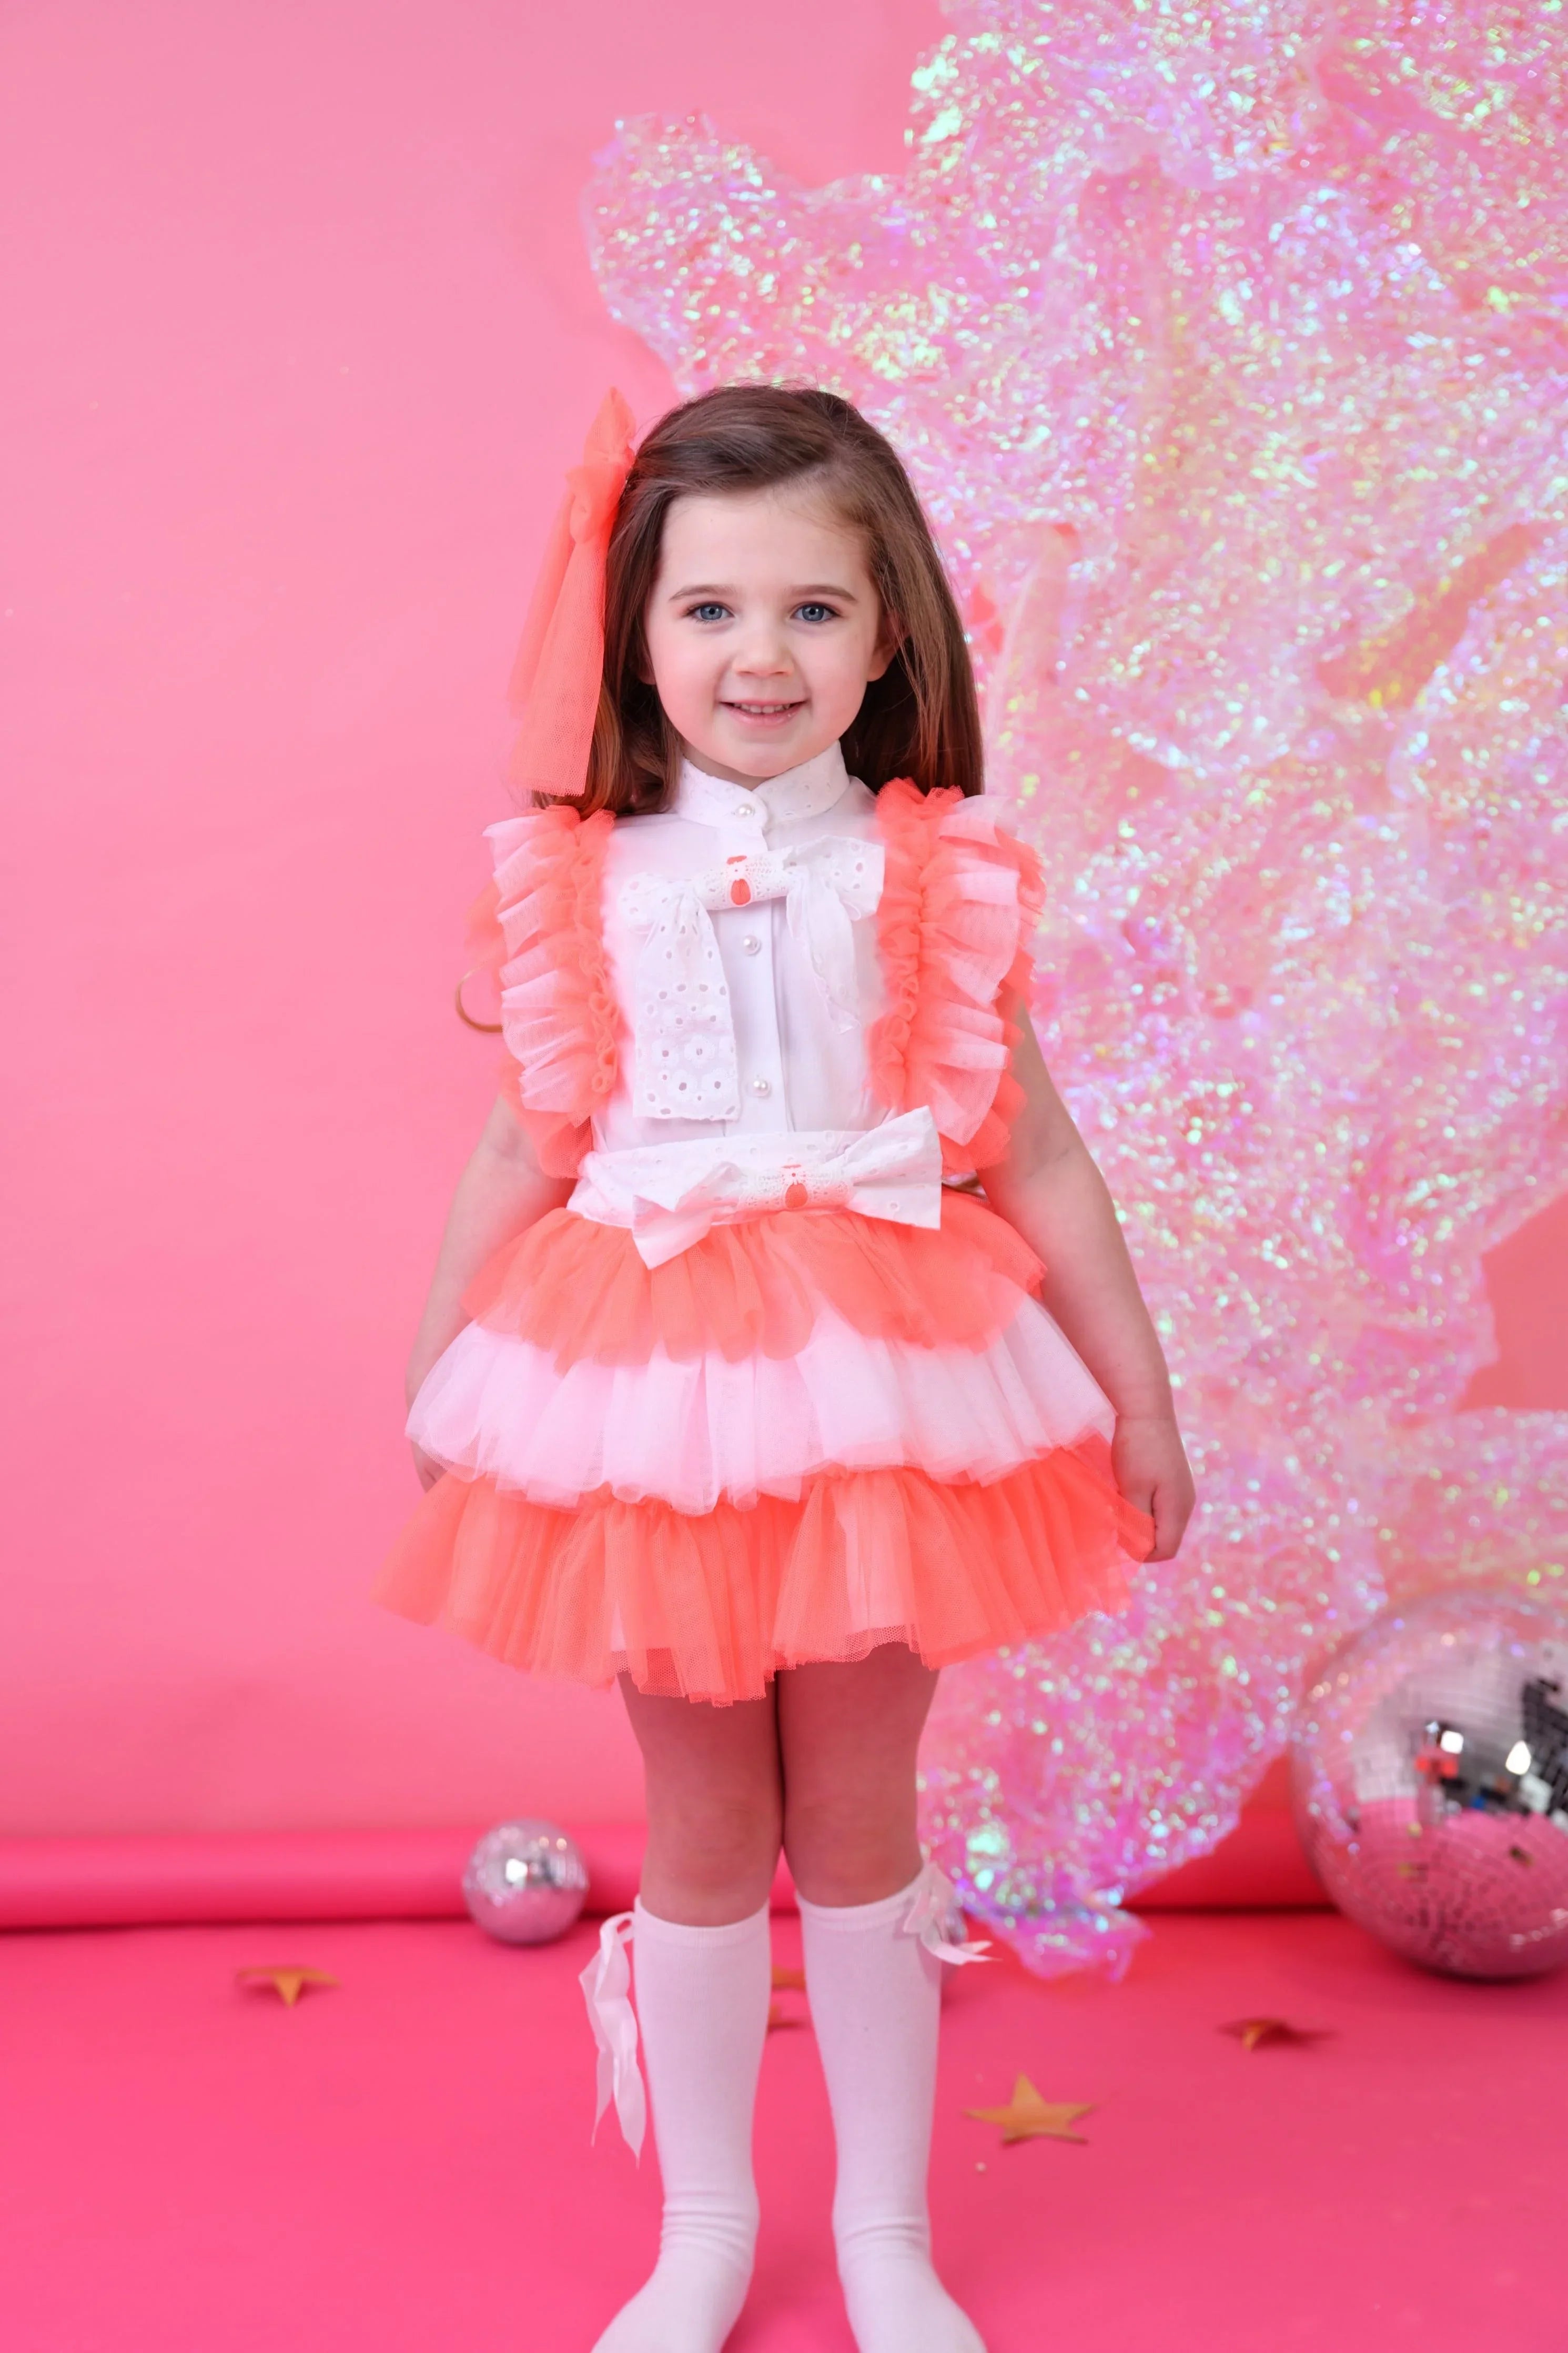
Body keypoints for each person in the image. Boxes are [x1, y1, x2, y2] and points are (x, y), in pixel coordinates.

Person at [375, 383, 1195, 2353]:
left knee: (861, 1813)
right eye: (711, 611)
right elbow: (525, 1145)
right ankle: (709, 2229)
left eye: (815, 612)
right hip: (647, 1392)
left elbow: (1041, 1155)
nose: (761, 658)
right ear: (633, 633)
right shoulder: (582, 878)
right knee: (706, 1826)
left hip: (884, 1381)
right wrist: (441, 1367)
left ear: (891, 630)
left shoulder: (934, 876)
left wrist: (1144, 1399)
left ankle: (894, 2236)